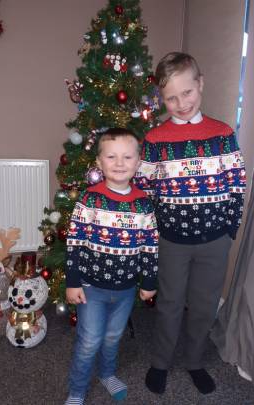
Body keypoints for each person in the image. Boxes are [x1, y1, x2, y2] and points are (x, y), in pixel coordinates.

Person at [134, 52, 246, 395]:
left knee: (204, 304)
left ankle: (195, 361)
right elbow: (145, 188)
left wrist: (229, 230)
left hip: (215, 241)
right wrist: (152, 233)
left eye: (187, 92)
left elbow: (237, 184)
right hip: (171, 241)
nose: (180, 103)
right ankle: (161, 362)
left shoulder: (223, 133)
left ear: (200, 84)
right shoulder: (154, 140)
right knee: (168, 303)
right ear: (161, 98)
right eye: (170, 97)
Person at [64, 128, 159, 405]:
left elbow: (150, 246)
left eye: (127, 157)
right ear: (99, 162)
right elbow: (75, 243)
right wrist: (73, 281)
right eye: (111, 156)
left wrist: (149, 282)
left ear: (138, 163)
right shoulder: (89, 199)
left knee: (113, 336)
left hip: (126, 288)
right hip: (91, 287)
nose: (119, 163)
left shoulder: (143, 204)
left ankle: (107, 374)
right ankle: (77, 390)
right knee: (89, 340)